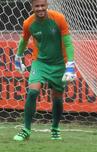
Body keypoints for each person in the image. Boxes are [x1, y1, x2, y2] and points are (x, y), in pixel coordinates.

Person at [13, 0, 76, 141]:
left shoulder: (59, 18)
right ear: (32, 7)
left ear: (47, 5)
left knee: (57, 97)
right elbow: (24, 40)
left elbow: (67, 42)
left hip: (59, 63)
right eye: (37, 6)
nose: (40, 8)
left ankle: (55, 128)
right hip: (40, 62)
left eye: (42, 5)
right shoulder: (28, 23)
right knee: (33, 91)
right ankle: (26, 130)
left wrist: (70, 64)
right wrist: (18, 56)